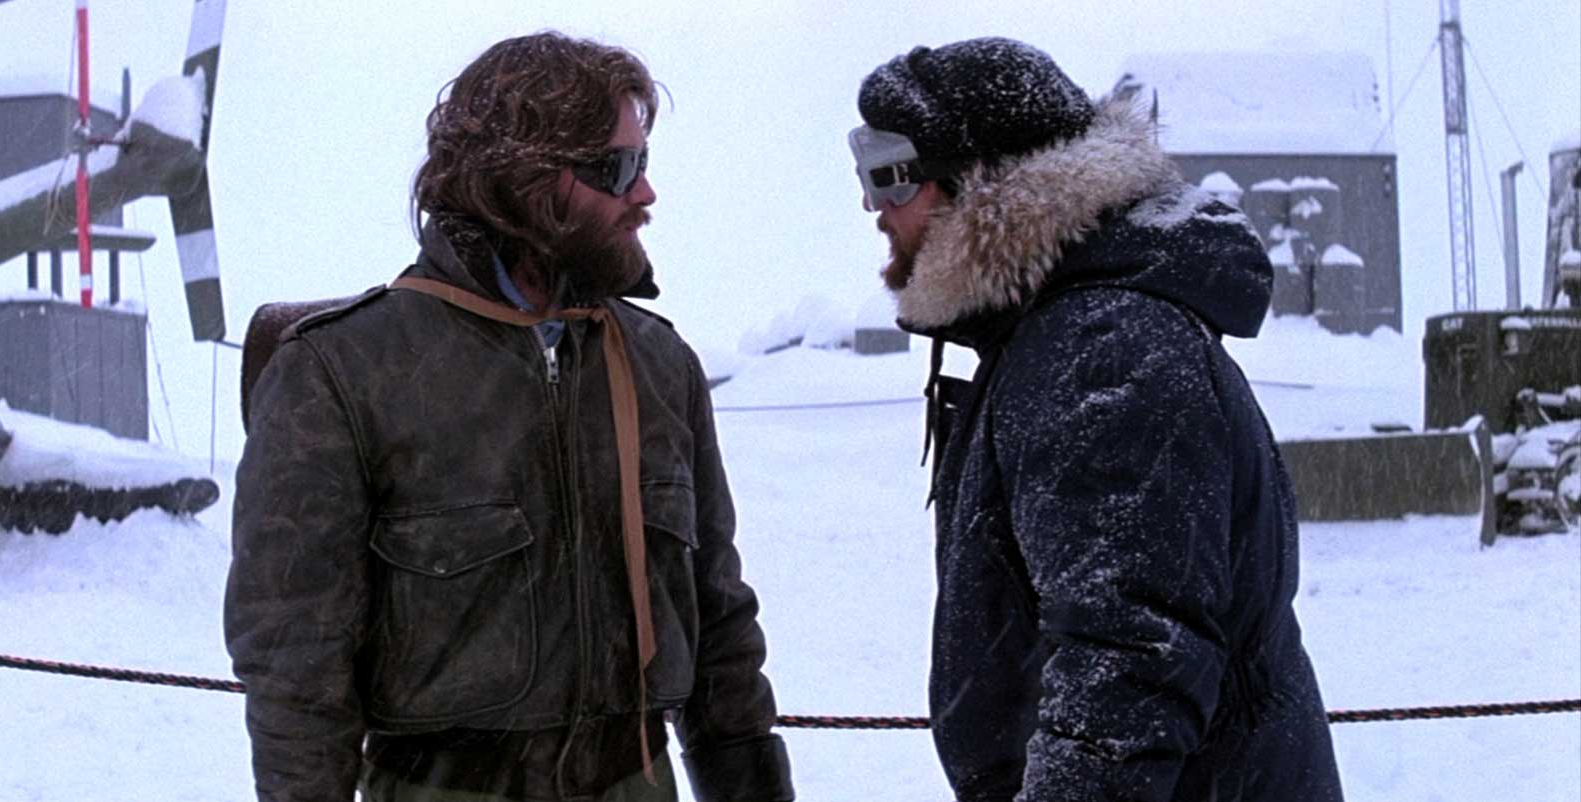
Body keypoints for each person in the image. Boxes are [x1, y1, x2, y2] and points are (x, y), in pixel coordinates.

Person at [227, 32, 794, 802]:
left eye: (643, 162)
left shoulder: (660, 364)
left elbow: (718, 618)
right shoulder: (342, 371)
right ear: (519, 180)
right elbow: (297, 666)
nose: (645, 194)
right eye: (616, 168)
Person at [848, 38, 1345, 801]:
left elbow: (1126, 672)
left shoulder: (1102, 350)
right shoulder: (1060, 336)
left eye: (890, 175)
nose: (874, 209)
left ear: (982, 185)